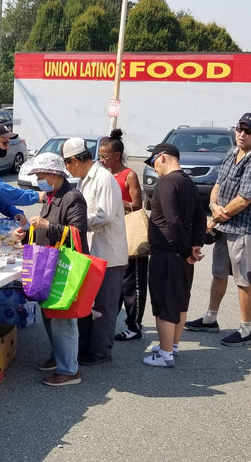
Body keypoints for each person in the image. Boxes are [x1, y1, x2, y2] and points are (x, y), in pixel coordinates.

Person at [185, 112, 251, 347]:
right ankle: (210, 318)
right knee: (219, 273)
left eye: (248, 131)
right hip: (225, 225)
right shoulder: (232, 152)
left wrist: (217, 216)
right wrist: (214, 207)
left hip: (245, 229)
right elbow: (218, 185)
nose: (241, 134)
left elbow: (245, 198)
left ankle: (245, 330)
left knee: (243, 280)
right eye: (239, 129)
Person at [14, 152, 89, 385]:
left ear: (55, 174)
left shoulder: (73, 197)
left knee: (62, 318)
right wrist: (26, 234)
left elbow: (78, 233)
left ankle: (69, 371)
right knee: (49, 313)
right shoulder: (51, 194)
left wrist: (47, 225)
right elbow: (45, 230)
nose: (38, 179)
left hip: (65, 264)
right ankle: (59, 357)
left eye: (41, 174)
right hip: (48, 262)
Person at [62, 137, 127, 365]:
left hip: (108, 254)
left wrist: (80, 223)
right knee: (88, 304)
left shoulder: (104, 179)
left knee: (104, 308)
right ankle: (87, 347)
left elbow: (106, 215)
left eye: (67, 164)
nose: (68, 169)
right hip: (92, 251)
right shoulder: (84, 180)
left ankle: (101, 352)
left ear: (75, 161)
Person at [141, 144, 206, 367]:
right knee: (179, 300)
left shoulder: (167, 183)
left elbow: (173, 220)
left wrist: (186, 250)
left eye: (153, 163)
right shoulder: (187, 181)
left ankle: (165, 354)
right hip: (183, 252)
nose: (154, 169)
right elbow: (200, 218)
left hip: (168, 252)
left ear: (162, 158)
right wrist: (195, 246)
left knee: (164, 302)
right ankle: (172, 345)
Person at [99, 129, 147, 342]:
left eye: (105, 156)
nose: (101, 160)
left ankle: (134, 325)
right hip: (111, 237)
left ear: (116, 156)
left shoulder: (129, 175)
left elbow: (138, 205)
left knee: (132, 283)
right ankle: (110, 320)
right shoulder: (104, 175)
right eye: (99, 156)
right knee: (113, 282)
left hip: (129, 235)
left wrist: (116, 204)